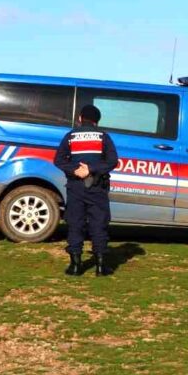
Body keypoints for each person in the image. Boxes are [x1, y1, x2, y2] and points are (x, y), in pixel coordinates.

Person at [54, 105, 118, 277]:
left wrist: (75, 169)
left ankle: (75, 266)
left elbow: (58, 160)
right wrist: (91, 169)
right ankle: (100, 267)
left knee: (75, 224)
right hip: (97, 187)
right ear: (97, 121)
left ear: (80, 118)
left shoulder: (70, 136)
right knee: (99, 224)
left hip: (75, 187)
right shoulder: (103, 137)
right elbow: (113, 161)